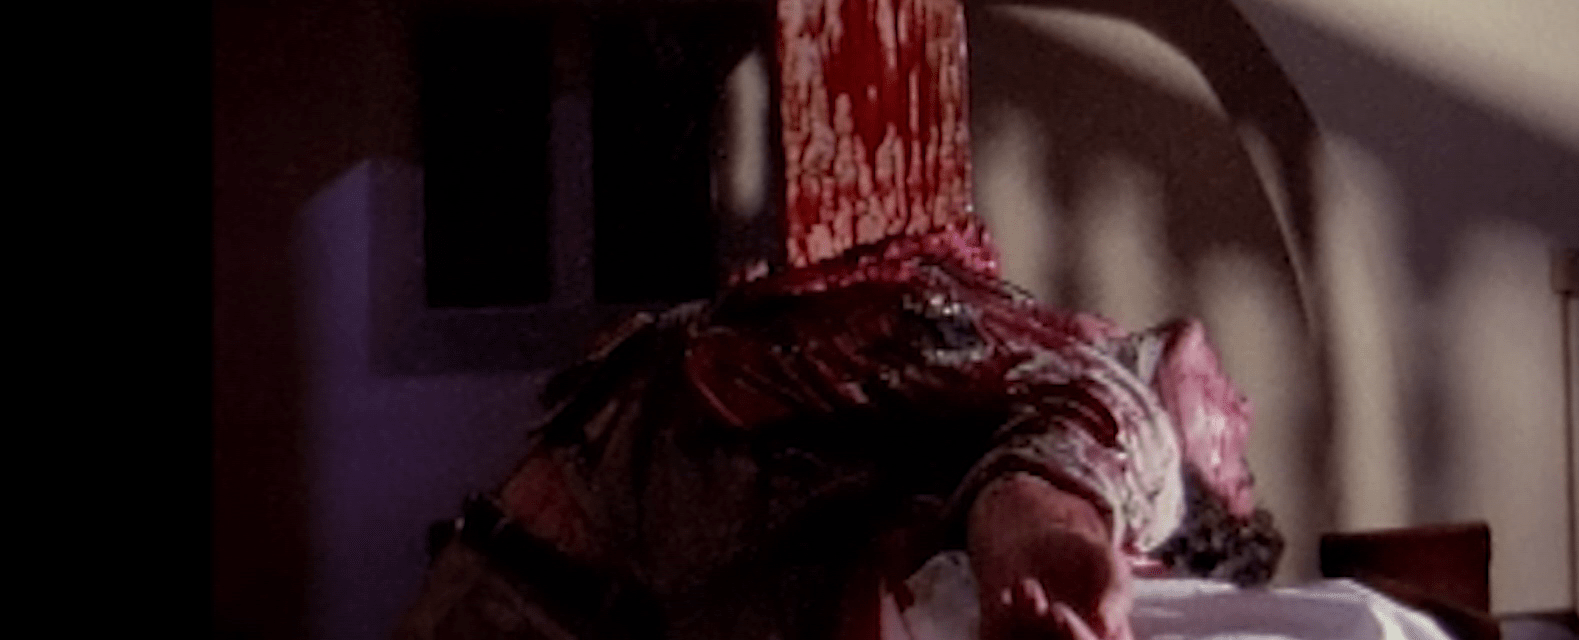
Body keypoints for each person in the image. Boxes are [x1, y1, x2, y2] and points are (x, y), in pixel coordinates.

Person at [393, 219, 1282, 640]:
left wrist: (1048, 564)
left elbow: (1056, 477)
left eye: (1237, 468)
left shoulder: (1123, 421)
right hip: (511, 578)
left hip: (542, 605)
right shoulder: (1042, 339)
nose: (1244, 411)